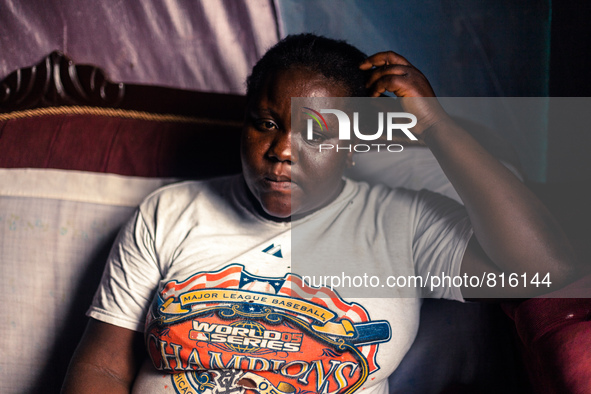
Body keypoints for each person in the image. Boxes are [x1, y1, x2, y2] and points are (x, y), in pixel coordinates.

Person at [61, 34, 577, 394]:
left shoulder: (404, 224)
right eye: (265, 122)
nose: (282, 149)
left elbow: (546, 268)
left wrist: (437, 127)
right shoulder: (170, 212)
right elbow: (103, 365)